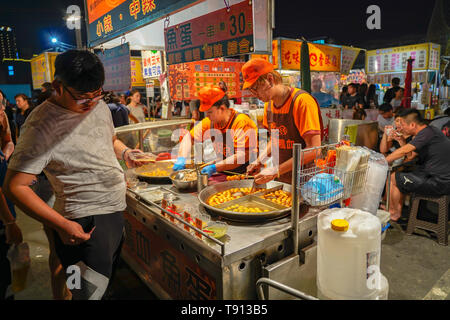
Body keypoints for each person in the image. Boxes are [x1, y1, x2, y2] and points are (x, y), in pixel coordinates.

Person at [3, 49, 145, 300]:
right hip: (80, 224)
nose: (91, 102)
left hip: (113, 212)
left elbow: (109, 139)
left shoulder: (99, 105)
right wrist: (62, 224)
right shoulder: (41, 125)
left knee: (103, 286)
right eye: (82, 97)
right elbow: (15, 186)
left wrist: (125, 154)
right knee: (85, 293)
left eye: (97, 93)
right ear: (58, 86)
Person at [242, 58, 323, 184]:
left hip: (306, 181)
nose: (255, 94)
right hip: (282, 178)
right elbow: (275, 140)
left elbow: (314, 149)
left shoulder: (302, 102)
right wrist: (259, 160)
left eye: (256, 88)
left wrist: (276, 170)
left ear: (270, 79)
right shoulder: (268, 106)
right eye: (251, 90)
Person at [173, 85, 258, 176]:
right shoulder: (210, 122)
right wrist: (181, 158)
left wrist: (215, 167)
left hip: (247, 175)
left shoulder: (241, 122)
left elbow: (242, 156)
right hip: (224, 174)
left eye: (210, 112)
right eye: (206, 112)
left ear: (222, 109)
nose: (207, 116)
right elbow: (189, 137)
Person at [385, 109, 450, 221]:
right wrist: (401, 141)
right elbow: (410, 156)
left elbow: (403, 152)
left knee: (393, 178)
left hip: (439, 182)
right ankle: (396, 210)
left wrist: (382, 161)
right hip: (439, 178)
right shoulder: (429, 131)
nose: (402, 128)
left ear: (412, 124)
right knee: (399, 175)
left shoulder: (427, 133)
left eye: (403, 125)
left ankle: (394, 213)